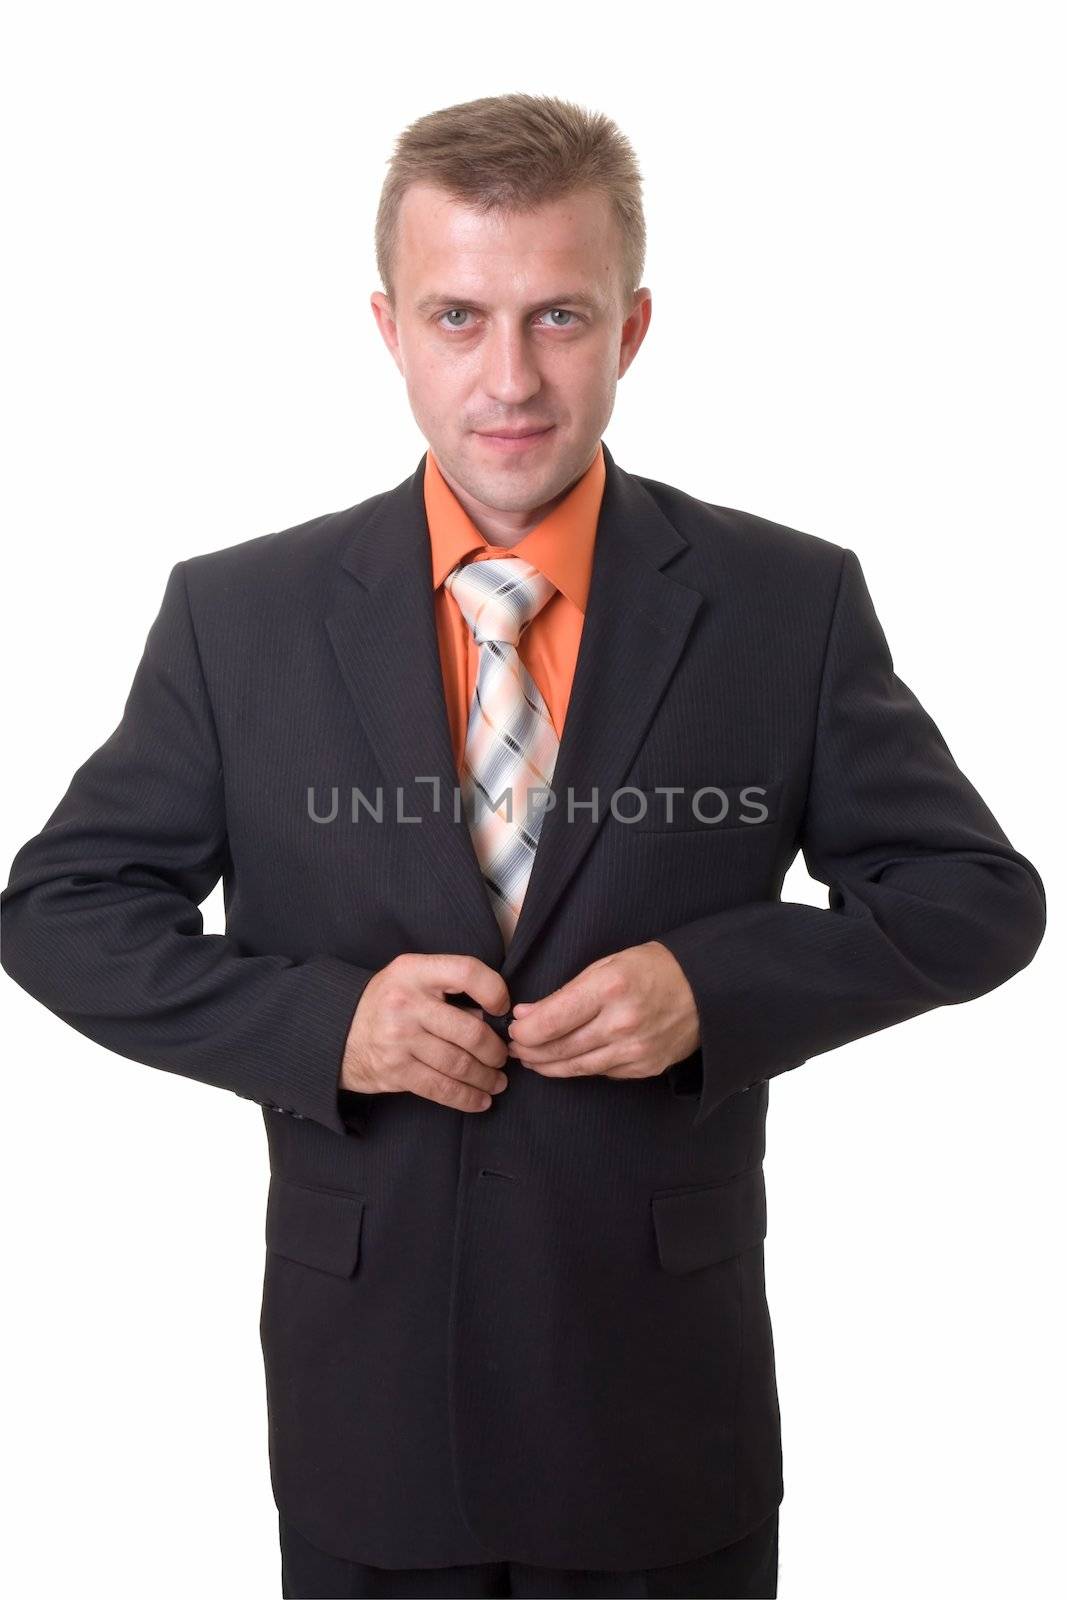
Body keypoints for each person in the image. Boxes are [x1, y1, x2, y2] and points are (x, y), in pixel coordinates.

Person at [0, 92, 1045, 1600]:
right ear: (388, 328)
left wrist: (713, 988)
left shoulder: (783, 603)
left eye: (559, 315)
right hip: (369, 1405)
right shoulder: (241, 618)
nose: (510, 378)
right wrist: (328, 1025)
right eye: (458, 316)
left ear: (631, 327)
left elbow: (975, 897)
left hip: (656, 1406)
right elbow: (63, 907)